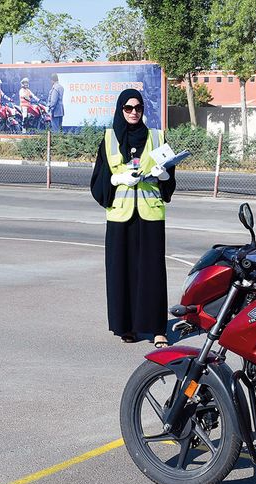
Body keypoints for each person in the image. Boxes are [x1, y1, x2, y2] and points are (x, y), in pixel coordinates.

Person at [90, 89, 176, 348]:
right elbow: (98, 181)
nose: (133, 112)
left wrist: (163, 176)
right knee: (121, 271)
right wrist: (118, 179)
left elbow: (170, 180)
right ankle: (126, 326)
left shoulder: (157, 137)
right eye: (128, 108)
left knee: (151, 272)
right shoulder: (108, 139)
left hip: (150, 214)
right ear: (120, 109)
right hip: (120, 216)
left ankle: (157, 329)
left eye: (137, 107)